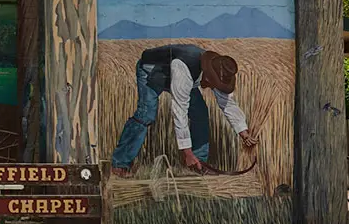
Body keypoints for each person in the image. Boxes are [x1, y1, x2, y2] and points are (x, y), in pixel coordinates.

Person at [110, 44, 257, 176]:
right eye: (213, 83)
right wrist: (186, 152)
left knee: (200, 114)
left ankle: (198, 164)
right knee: (146, 114)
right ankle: (120, 164)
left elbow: (227, 103)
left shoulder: (218, 69)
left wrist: (243, 131)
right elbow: (180, 111)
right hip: (151, 72)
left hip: (179, 77)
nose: (213, 87)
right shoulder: (184, 68)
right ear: (208, 75)